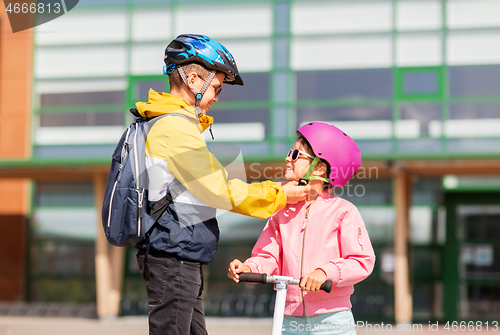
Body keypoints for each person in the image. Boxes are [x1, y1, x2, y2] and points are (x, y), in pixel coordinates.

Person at [133, 34, 309, 335]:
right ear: (192, 79)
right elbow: (220, 189)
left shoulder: (174, 124)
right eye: (216, 87)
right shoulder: (175, 128)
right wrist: (280, 194)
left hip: (179, 255)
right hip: (173, 258)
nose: (217, 97)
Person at [228, 122, 376, 335]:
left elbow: (361, 261)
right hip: (288, 318)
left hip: (332, 320)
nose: (288, 158)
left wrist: (325, 272)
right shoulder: (280, 211)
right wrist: (250, 267)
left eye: (296, 154)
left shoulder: (343, 212)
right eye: (289, 152)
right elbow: (269, 256)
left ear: (319, 168)